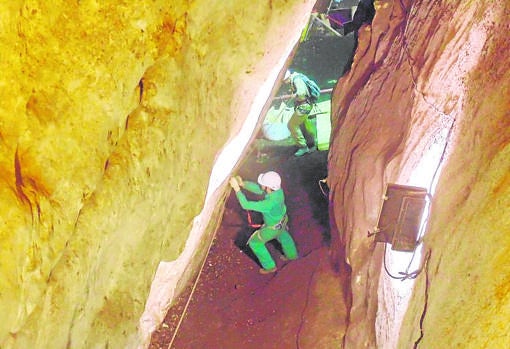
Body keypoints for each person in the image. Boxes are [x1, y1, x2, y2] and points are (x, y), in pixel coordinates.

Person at [229, 171, 298, 274]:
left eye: (263, 184)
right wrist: (243, 183)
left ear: (268, 187)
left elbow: (246, 205)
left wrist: (237, 189)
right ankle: (292, 256)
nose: (261, 185)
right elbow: (259, 190)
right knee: (284, 236)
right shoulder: (278, 192)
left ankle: (270, 266)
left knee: (255, 243)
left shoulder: (268, 204)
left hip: (271, 229)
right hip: (282, 222)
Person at [283, 70, 319, 156]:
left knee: (292, 125)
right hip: (305, 104)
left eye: (284, 81)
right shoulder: (296, 78)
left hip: (304, 106)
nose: (284, 83)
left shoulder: (296, 80)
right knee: (304, 124)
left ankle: (303, 147)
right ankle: (312, 143)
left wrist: (294, 95)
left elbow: (302, 92)